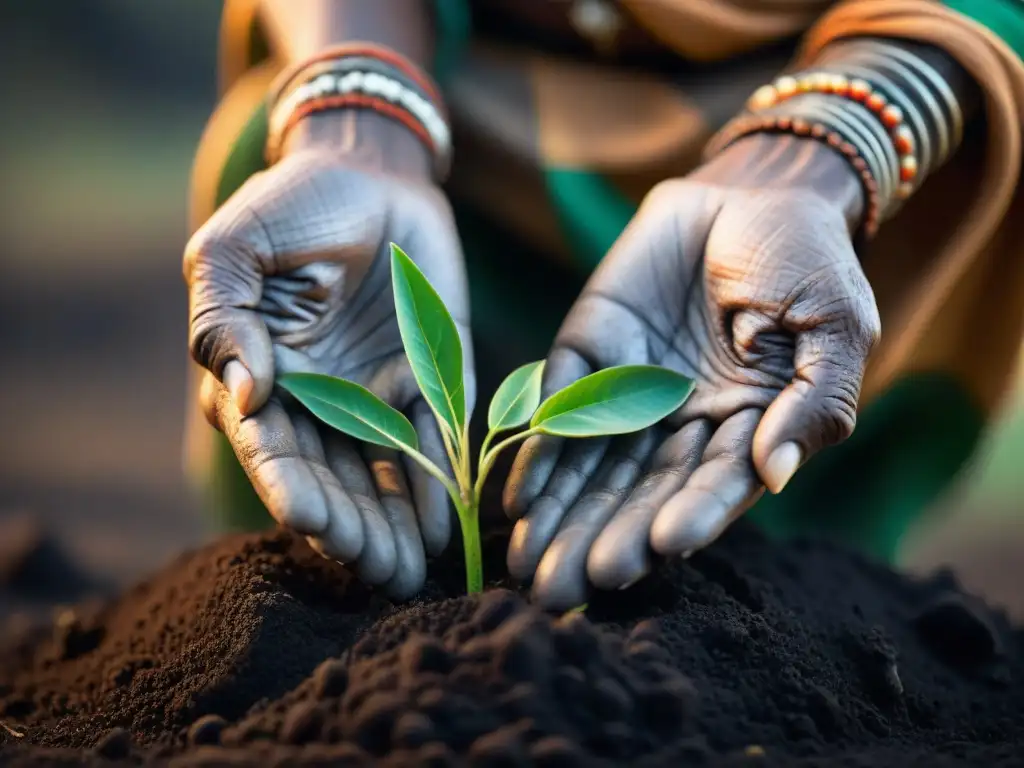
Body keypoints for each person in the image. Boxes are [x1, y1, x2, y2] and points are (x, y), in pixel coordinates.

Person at [184, 0, 1024, 610]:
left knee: (761, 589)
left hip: (829, 141)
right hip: (439, 126)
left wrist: (823, 151)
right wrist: (352, 118)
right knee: (325, 583)